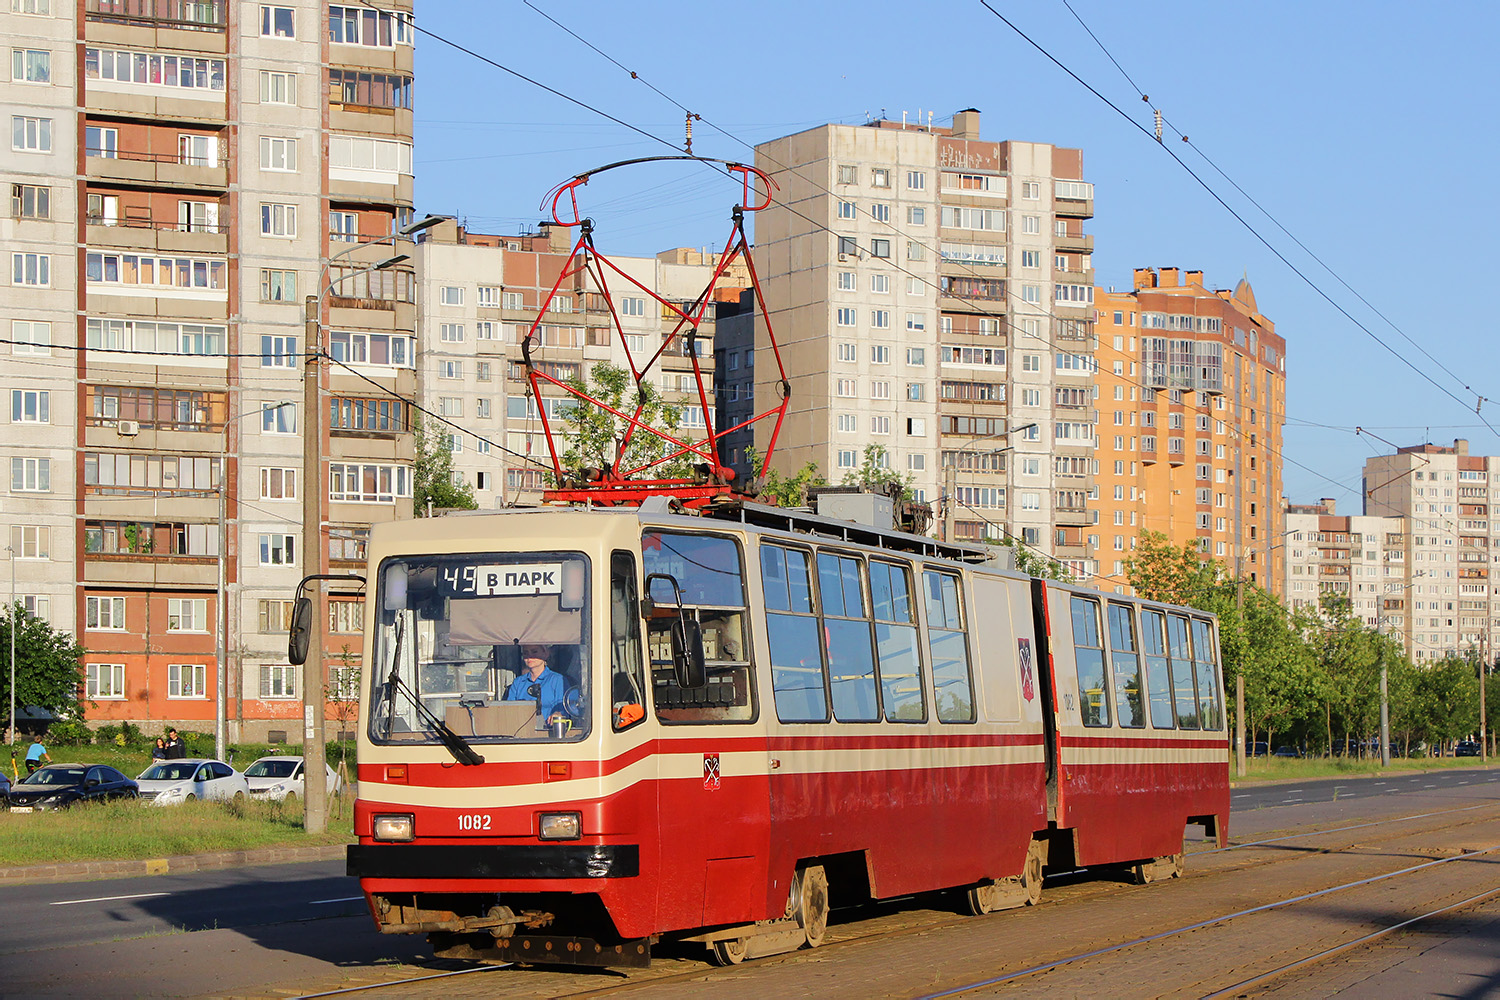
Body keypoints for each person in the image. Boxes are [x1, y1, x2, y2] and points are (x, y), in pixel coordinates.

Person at [504, 643, 567, 724]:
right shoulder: (518, 682)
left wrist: (558, 713)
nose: (529, 656)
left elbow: (565, 707)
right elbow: (509, 709)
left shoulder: (558, 680)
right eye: (526, 653)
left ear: (545, 654)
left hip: (549, 732)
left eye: (534, 652)